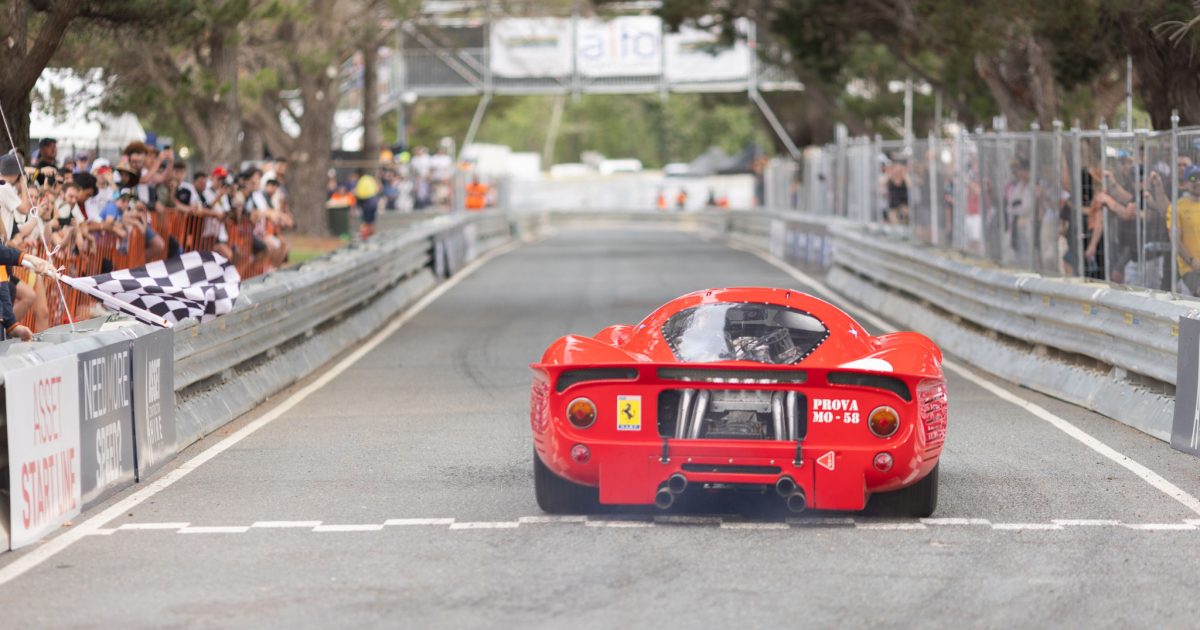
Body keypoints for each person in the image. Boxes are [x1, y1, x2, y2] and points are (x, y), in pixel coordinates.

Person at [354, 167, 380, 239]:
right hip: (374, 201)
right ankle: (372, 235)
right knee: (371, 221)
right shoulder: (370, 178)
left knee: (366, 221)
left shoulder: (361, 181)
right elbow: (376, 189)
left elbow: (359, 194)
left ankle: (365, 236)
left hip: (367, 202)